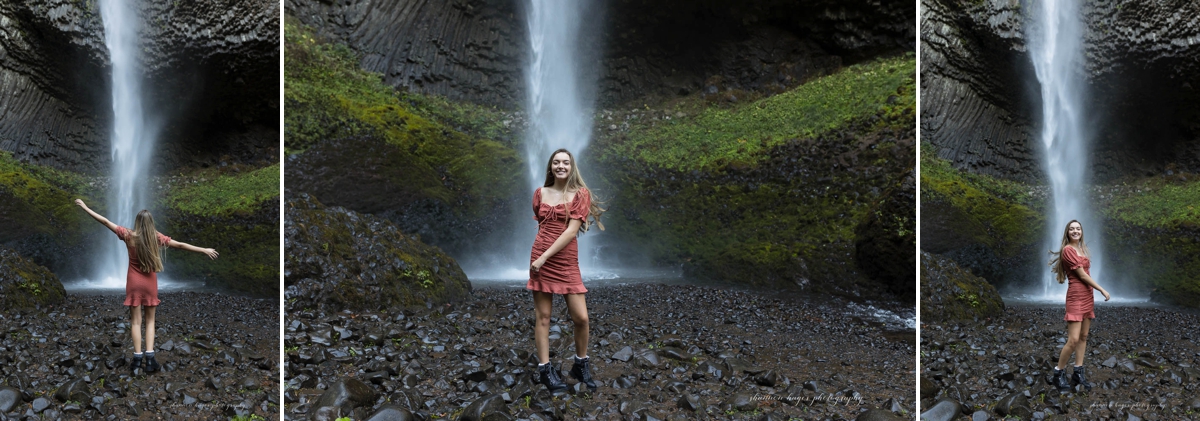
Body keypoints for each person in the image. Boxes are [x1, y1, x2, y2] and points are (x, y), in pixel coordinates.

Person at [75, 199, 219, 373]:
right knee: (150, 321)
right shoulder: (156, 238)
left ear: (137, 222)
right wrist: (203, 250)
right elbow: (180, 245)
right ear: (151, 223)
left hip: (133, 283)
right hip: (150, 283)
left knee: (136, 322)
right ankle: (150, 360)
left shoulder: (128, 235)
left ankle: (137, 360)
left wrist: (86, 207)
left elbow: (105, 221)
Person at [528, 148, 605, 393]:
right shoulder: (540, 193)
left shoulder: (581, 194)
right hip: (539, 257)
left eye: (566, 163)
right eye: (556, 162)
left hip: (563, 260)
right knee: (543, 318)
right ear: (550, 167)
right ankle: (544, 369)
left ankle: (580, 365)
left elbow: (571, 231)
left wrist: (544, 258)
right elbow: (543, 225)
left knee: (581, 318)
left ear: (572, 168)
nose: (561, 166)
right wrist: (539, 258)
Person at [1046, 220, 1110, 392]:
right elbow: (1082, 275)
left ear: (1082, 231)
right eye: (1072, 229)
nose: (1075, 231)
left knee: (1084, 336)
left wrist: (1093, 291)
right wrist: (1101, 289)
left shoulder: (1082, 249)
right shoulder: (1068, 250)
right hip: (1076, 297)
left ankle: (1077, 372)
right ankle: (1058, 373)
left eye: (1078, 228)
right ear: (1067, 233)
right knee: (1073, 339)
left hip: (1087, 296)